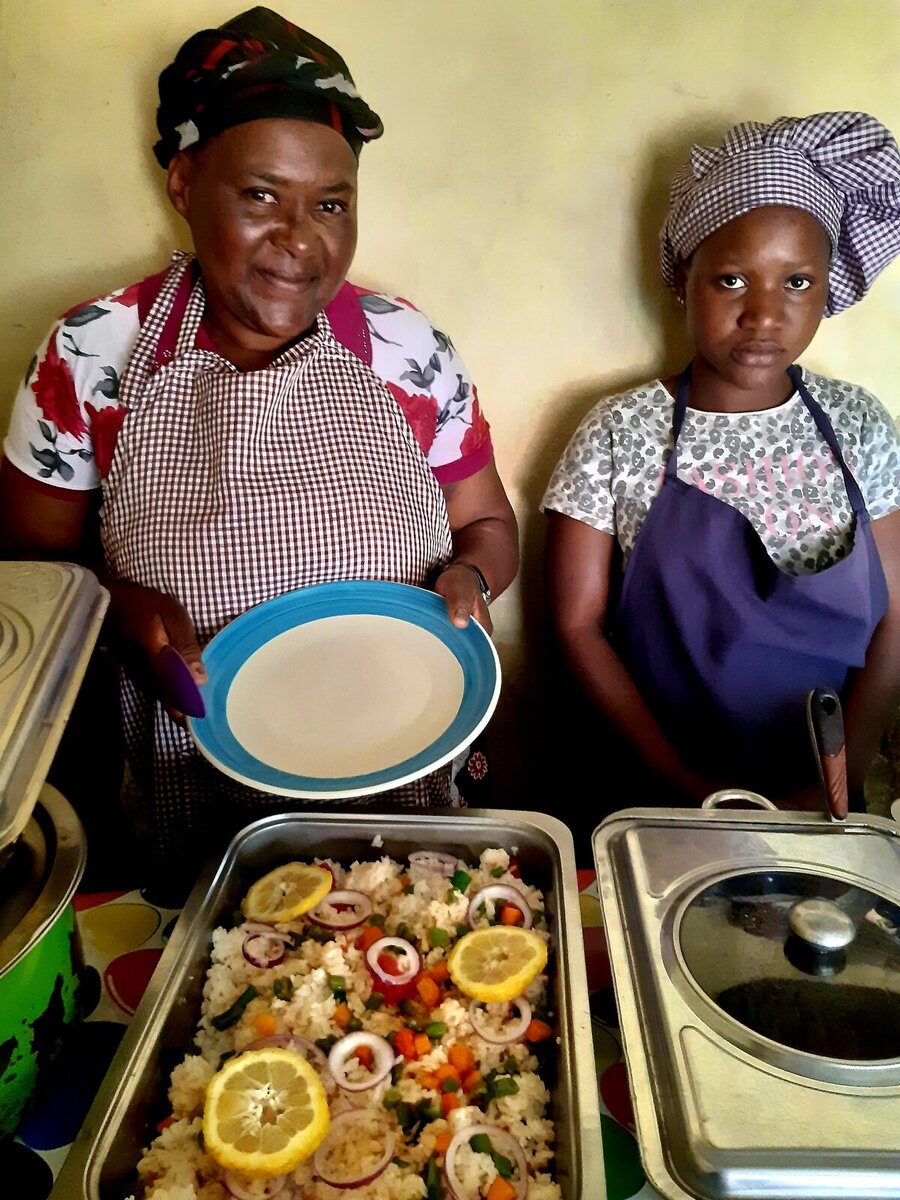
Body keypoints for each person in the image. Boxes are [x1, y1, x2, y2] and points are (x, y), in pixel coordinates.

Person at [0, 7, 518, 885]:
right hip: (190, 775)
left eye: (331, 204)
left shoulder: (404, 347)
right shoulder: (92, 353)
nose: (300, 239)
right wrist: (124, 613)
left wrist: (472, 579)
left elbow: (489, 525)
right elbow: (30, 578)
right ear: (183, 183)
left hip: (406, 751)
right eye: (260, 196)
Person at [543, 111, 900, 823]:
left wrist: (843, 772)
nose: (765, 315)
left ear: (829, 285)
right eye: (732, 280)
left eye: (797, 283)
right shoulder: (620, 431)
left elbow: (898, 610)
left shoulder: (859, 425)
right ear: (684, 279)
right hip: (658, 800)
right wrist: (687, 788)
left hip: (824, 805)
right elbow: (576, 625)